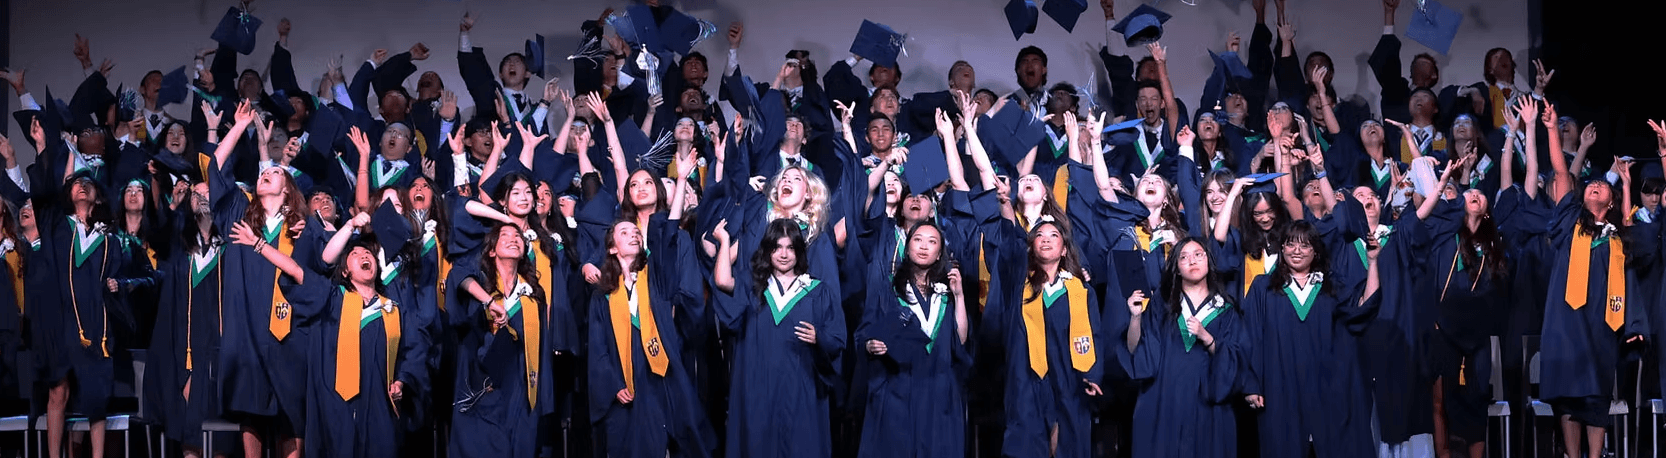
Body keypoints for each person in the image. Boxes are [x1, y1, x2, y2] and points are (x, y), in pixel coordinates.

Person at [1537, 100, 1647, 458]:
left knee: (1596, 395)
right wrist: (1552, 129)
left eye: (1602, 186)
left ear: (1612, 199)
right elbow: (1562, 172)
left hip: (1601, 325)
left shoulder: (1618, 239)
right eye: (1591, 185)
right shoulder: (1571, 223)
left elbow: (1630, 278)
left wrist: (1627, 184)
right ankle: (1572, 456)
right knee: (1568, 396)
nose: (1595, 186)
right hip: (1565, 323)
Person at [1240, 219, 1380, 458]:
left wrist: (1373, 262)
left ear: (1315, 251)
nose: (1297, 251)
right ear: (1282, 248)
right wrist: (1251, 385)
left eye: (1305, 246)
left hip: (1326, 384)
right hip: (1280, 385)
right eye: (1290, 244)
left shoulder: (1330, 286)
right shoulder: (1263, 288)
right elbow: (1250, 338)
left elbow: (1363, 308)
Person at [711, 218, 846, 458]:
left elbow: (837, 340)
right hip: (757, 388)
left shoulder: (817, 291)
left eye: (790, 248)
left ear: (799, 251)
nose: (783, 254)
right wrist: (724, 241)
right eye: (777, 247)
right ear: (767, 250)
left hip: (801, 389)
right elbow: (722, 280)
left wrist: (819, 338)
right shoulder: (754, 287)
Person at [989, 216, 1107, 458]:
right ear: (1031, 247)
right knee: (1026, 445)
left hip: (1071, 379)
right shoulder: (1017, 286)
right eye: (1039, 235)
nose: (1045, 239)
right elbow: (1009, 248)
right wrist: (1004, 207)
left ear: (1064, 250)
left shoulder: (1081, 292)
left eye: (1054, 235)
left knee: (1071, 444)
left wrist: (1092, 375)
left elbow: (1094, 336)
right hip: (1026, 378)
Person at [1122, 237, 1245, 458]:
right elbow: (1136, 350)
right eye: (1184, 257)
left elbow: (1234, 362)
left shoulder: (1226, 310)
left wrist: (1207, 338)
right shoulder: (1162, 303)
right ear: (1176, 268)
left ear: (1209, 261)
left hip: (1207, 404)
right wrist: (1135, 318)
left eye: (1198, 254)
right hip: (1165, 399)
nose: (1192, 261)